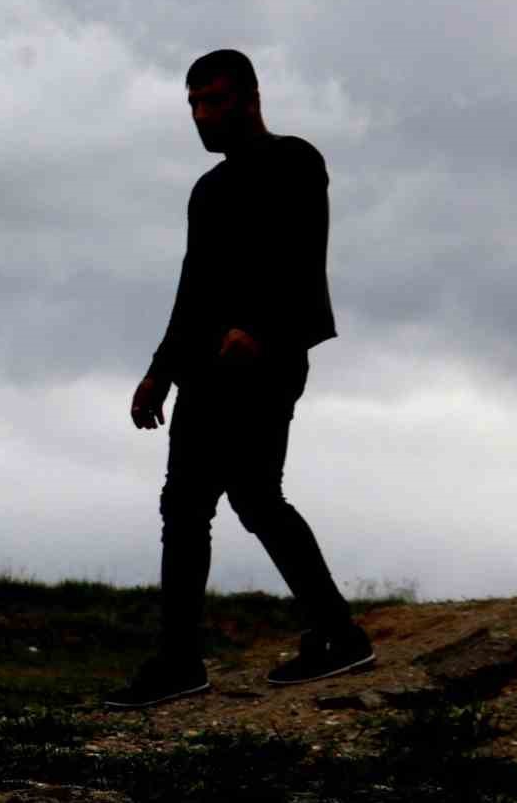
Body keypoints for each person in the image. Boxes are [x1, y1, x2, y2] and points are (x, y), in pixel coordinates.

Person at [104, 49, 375, 710]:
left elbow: (302, 258)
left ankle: (316, 638)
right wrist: (159, 372)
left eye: (214, 101)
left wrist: (262, 331)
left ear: (250, 99)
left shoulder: (295, 162)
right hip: (205, 370)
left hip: (267, 362)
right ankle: (312, 638)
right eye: (193, 104)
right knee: (196, 505)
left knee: (248, 497)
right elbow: (192, 291)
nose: (201, 115)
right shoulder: (209, 191)